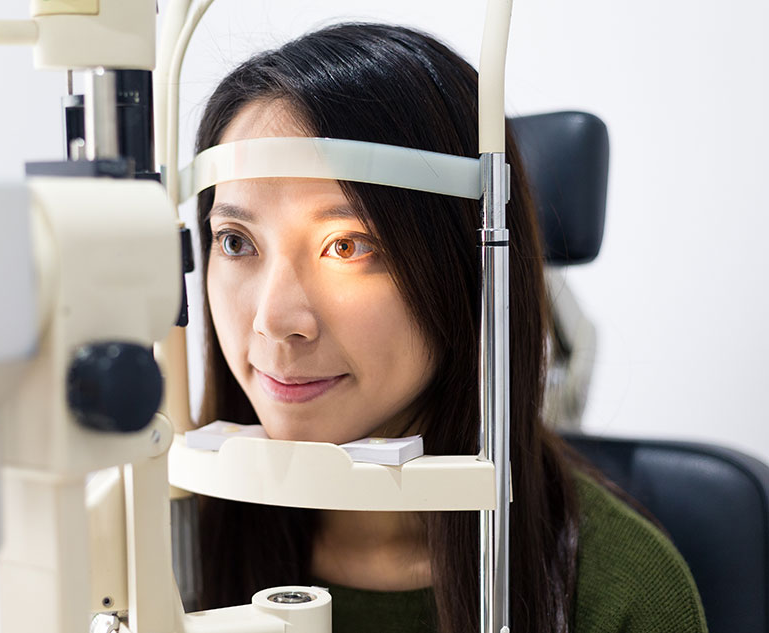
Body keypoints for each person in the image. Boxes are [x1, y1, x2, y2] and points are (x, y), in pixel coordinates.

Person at [190, 22, 707, 633]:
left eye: (348, 244)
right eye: (235, 240)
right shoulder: (158, 544)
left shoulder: (618, 595)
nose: (274, 322)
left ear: (464, 268)